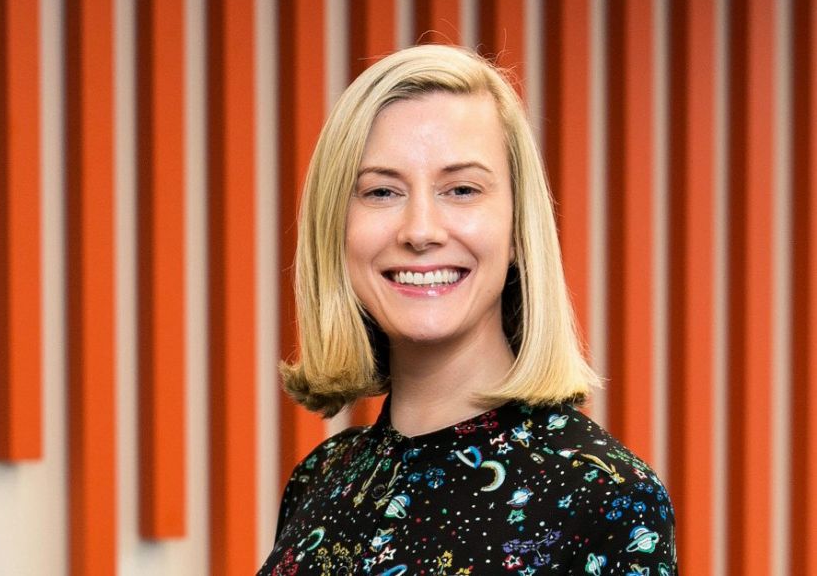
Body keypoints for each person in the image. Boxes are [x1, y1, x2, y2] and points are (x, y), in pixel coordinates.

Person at [257, 45, 676, 576]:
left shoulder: (604, 497)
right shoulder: (320, 477)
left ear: (519, 230)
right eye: (382, 191)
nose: (421, 231)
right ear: (336, 230)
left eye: (461, 189)